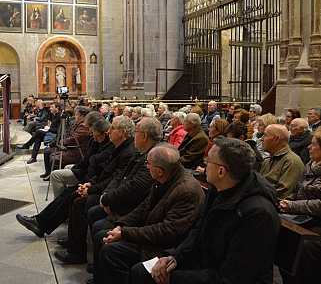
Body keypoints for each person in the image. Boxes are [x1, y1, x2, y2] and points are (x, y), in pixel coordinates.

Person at [127, 137, 281, 284]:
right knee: (140, 271)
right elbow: (199, 233)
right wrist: (175, 256)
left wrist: (174, 279)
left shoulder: (258, 213)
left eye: (208, 160)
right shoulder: (219, 189)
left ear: (221, 171)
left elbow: (231, 277)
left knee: (143, 276)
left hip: (224, 276)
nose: (204, 163)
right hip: (206, 264)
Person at [87, 143, 205, 284]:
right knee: (102, 235)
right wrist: (121, 225)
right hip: (150, 232)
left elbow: (167, 232)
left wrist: (125, 233)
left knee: (111, 252)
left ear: (160, 170)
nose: (146, 166)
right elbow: (144, 207)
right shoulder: (164, 178)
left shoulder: (186, 191)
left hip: (164, 246)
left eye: (148, 164)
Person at [54, 118, 163, 265]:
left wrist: (106, 197)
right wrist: (104, 194)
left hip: (130, 205)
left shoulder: (149, 155)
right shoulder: (138, 153)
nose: (108, 131)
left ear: (143, 136)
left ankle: (85, 255)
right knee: (78, 197)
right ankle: (81, 251)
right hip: (113, 194)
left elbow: (134, 188)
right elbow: (118, 176)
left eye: (112, 128)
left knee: (85, 206)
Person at [16, 116, 137, 239]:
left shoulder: (125, 150)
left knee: (74, 197)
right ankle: (40, 221)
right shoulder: (116, 146)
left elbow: (113, 176)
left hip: (102, 187)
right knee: (68, 192)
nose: (109, 131)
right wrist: (90, 182)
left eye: (113, 128)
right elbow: (98, 165)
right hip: (95, 179)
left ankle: (50, 230)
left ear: (123, 132)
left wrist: (91, 188)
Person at [278, 127, 321, 284]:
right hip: (304, 216)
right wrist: (286, 201)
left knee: (305, 244)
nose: (309, 147)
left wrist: (292, 206)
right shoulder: (311, 164)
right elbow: (297, 190)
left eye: (314, 145)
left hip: (317, 221)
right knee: (278, 229)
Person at [44, 106, 91, 179]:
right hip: (72, 149)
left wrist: (61, 142)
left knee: (55, 159)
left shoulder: (83, 126)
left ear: (82, 116)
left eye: (76, 114)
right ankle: (54, 176)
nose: (75, 116)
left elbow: (73, 139)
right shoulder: (79, 123)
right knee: (51, 154)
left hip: (78, 152)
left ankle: (60, 178)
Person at [260, 124, 304, 199]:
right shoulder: (267, 160)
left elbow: (282, 195)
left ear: (276, 139)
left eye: (265, 135)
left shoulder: (292, 161)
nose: (261, 138)